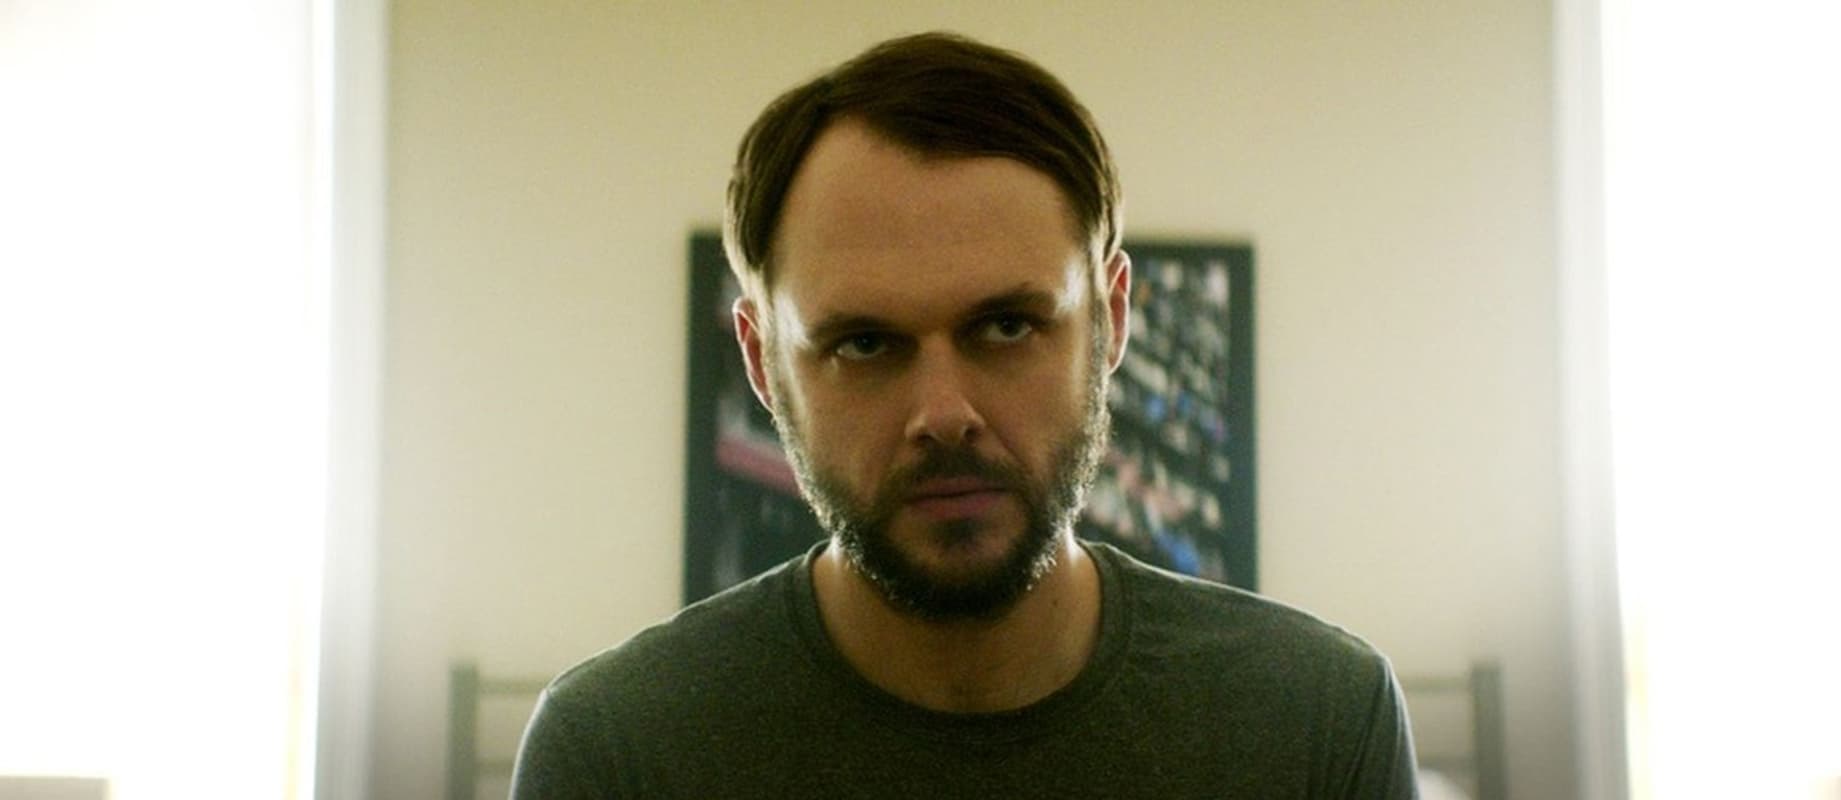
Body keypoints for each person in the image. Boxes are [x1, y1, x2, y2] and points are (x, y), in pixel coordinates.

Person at [511, 32, 1418, 799]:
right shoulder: (617, 754)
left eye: (1008, 325)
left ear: (1112, 320)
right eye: (865, 343)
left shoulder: (1319, 722)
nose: (944, 415)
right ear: (761, 362)